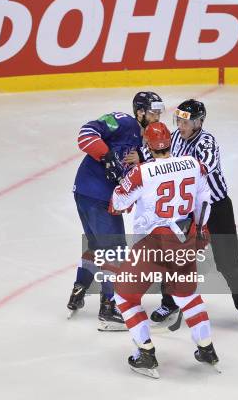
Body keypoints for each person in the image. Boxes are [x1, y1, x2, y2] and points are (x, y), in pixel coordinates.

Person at [109, 122, 219, 378]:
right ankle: (206, 348)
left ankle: (146, 354)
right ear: (169, 141)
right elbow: (205, 200)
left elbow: (117, 201)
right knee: (187, 295)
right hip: (185, 239)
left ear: (147, 145)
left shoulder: (142, 171)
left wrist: (123, 188)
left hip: (153, 243)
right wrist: (200, 227)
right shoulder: (193, 163)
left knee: (125, 296)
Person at [149, 100, 238, 326]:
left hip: (216, 208)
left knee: (228, 261)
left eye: (185, 121)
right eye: (178, 120)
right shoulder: (175, 137)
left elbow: (201, 168)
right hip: (185, 209)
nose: (180, 125)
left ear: (199, 122)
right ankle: (169, 302)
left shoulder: (207, 142)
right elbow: (160, 159)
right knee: (174, 257)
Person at [67, 92, 164, 331]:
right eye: (153, 112)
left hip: (89, 194)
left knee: (96, 247)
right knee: (116, 250)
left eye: (159, 113)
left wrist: (138, 159)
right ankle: (108, 307)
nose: (157, 117)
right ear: (140, 112)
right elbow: (86, 133)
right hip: (96, 195)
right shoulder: (123, 121)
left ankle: (78, 291)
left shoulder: (143, 142)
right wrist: (107, 156)